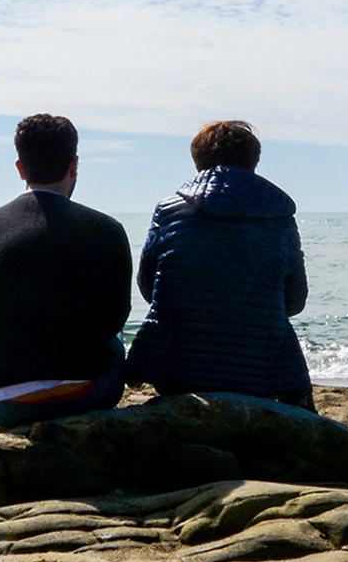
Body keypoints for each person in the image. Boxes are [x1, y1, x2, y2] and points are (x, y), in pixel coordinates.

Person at [0, 113, 132, 434]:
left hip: (5, 403)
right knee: (116, 337)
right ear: (73, 166)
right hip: (90, 394)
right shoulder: (108, 230)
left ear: (20, 168)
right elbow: (116, 317)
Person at [124, 119, 313, 409]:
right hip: (260, 373)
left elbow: (148, 285)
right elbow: (296, 300)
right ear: (253, 162)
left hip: (177, 371)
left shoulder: (168, 211)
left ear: (198, 162)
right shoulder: (279, 216)